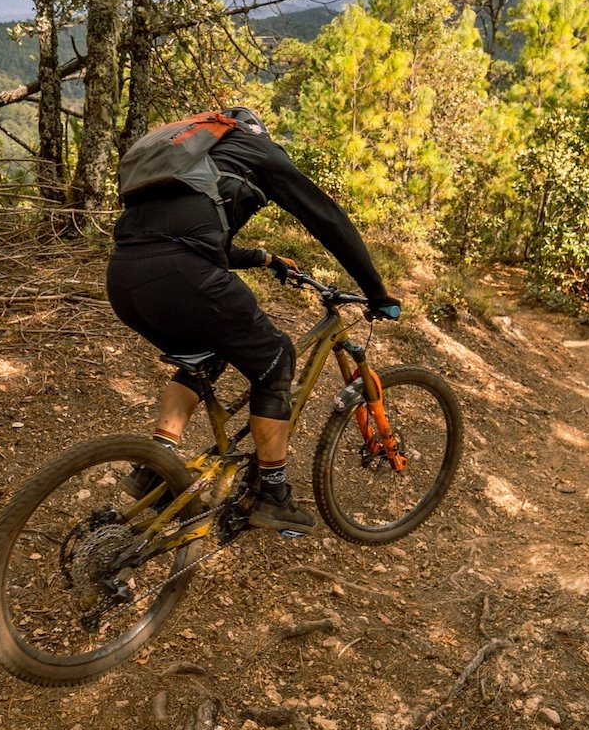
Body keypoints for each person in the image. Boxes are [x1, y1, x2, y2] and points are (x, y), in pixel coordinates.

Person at [106, 106, 400, 532]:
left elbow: (188, 239)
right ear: (255, 133)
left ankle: (156, 465)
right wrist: (376, 290)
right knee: (276, 357)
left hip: (124, 278)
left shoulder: (190, 167)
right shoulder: (257, 149)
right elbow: (327, 218)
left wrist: (264, 257)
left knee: (207, 352)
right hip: (184, 273)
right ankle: (272, 494)